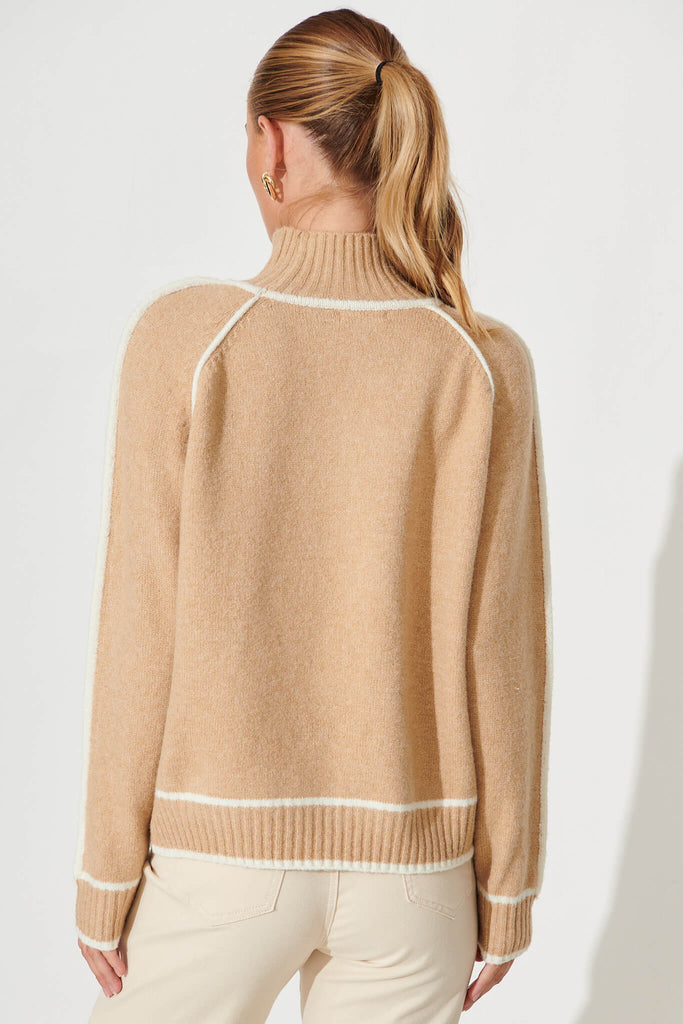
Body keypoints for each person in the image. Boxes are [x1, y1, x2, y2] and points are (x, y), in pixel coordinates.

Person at [73, 8, 553, 1022]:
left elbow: (140, 624)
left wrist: (106, 870)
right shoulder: (479, 361)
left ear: (272, 144)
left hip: (218, 861)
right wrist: (507, 886)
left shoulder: (187, 340)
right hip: (416, 877)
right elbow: (501, 648)